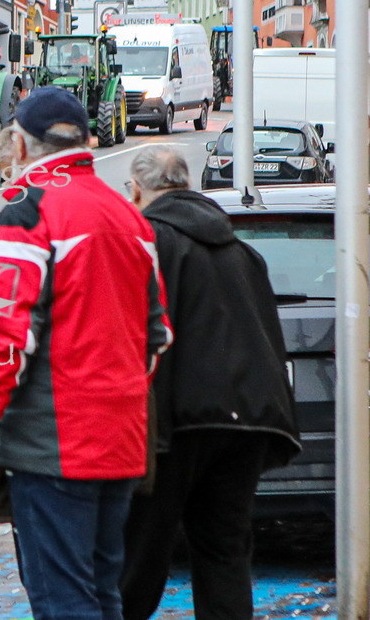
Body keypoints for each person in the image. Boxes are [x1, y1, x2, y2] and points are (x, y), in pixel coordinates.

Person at [0, 86, 173, 619]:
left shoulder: (27, 216)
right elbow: (156, 336)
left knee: (62, 598)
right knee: (101, 591)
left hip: (54, 447)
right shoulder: (130, 219)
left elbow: (5, 341)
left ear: (22, 146)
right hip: (120, 441)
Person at [119, 148, 301, 620]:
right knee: (224, 553)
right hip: (246, 421)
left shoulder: (147, 242)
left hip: (175, 423)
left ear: (137, 190)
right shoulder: (241, 250)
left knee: (139, 557)